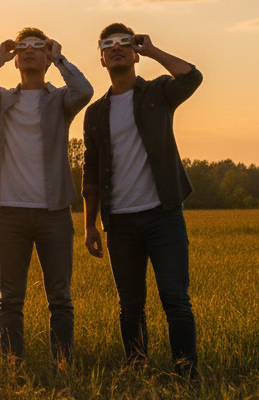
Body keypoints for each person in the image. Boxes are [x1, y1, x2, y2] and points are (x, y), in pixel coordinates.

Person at [0, 27, 93, 363]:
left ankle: (63, 367)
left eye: (38, 47)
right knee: (10, 299)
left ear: (46, 57)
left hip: (54, 213)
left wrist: (60, 57)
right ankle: (13, 367)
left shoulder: (61, 99)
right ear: (17, 59)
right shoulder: (3, 99)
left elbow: (85, 90)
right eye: (24, 48)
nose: (30, 51)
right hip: (11, 214)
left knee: (60, 298)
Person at [81, 24, 203, 379]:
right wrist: (90, 223)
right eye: (108, 45)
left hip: (163, 215)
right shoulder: (96, 112)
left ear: (134, 53)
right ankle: (138, 374)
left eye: (124, 43)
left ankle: (186, 375)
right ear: (101, 58)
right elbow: (90, 171)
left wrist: (153, 51)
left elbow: (192, 77)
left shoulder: (158, 92)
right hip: (119, 222)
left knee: (176, 301)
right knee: (130, 307)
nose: (116, 48)